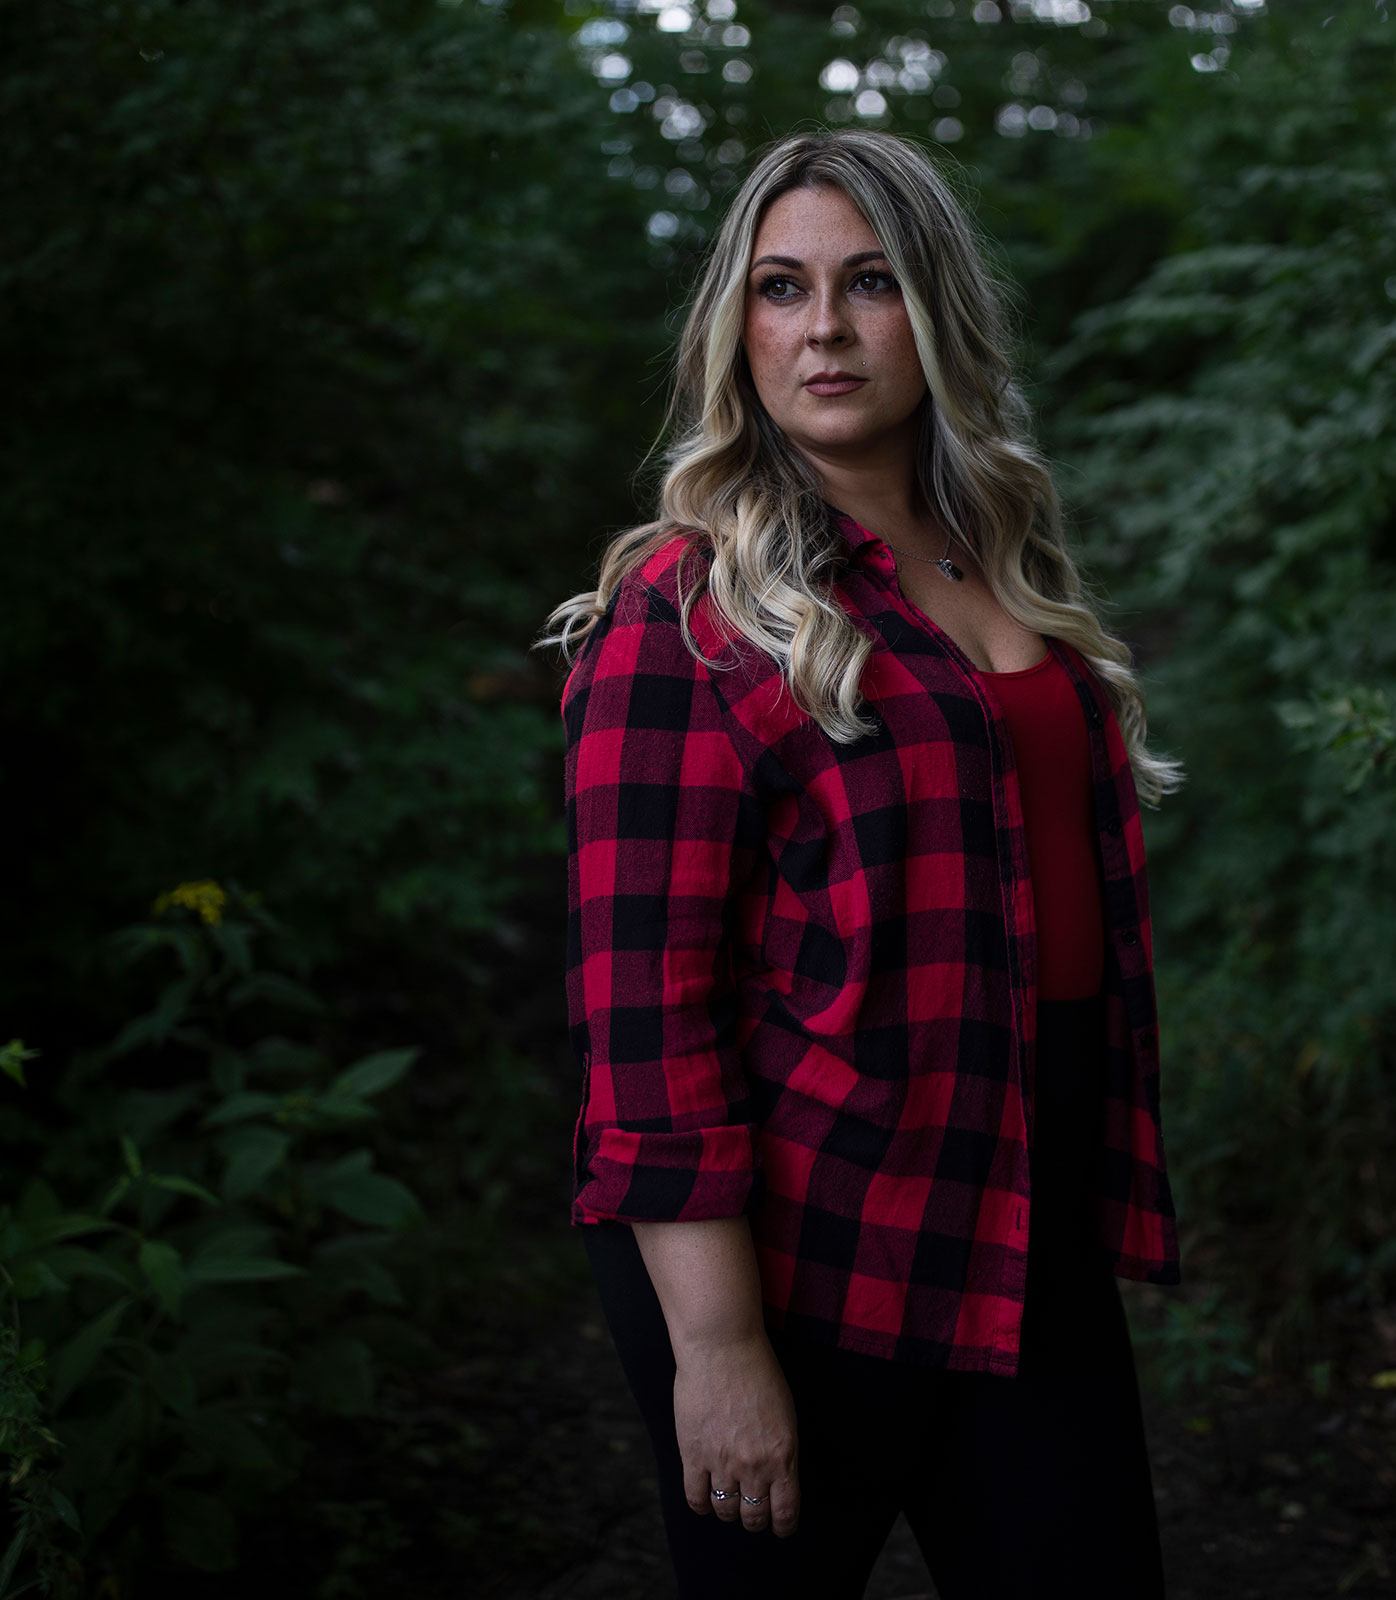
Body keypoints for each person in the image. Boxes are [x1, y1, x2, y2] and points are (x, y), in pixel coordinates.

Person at [542, 129, 1181, 1599]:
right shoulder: (687, 612)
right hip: (806, 1242)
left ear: (938, 310)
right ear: (737, 328)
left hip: (1021, 1205)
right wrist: (718, 1349)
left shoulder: (993, 552)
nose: (823, 326)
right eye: (780, 288)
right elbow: (641, 1017)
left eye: (870, 282)